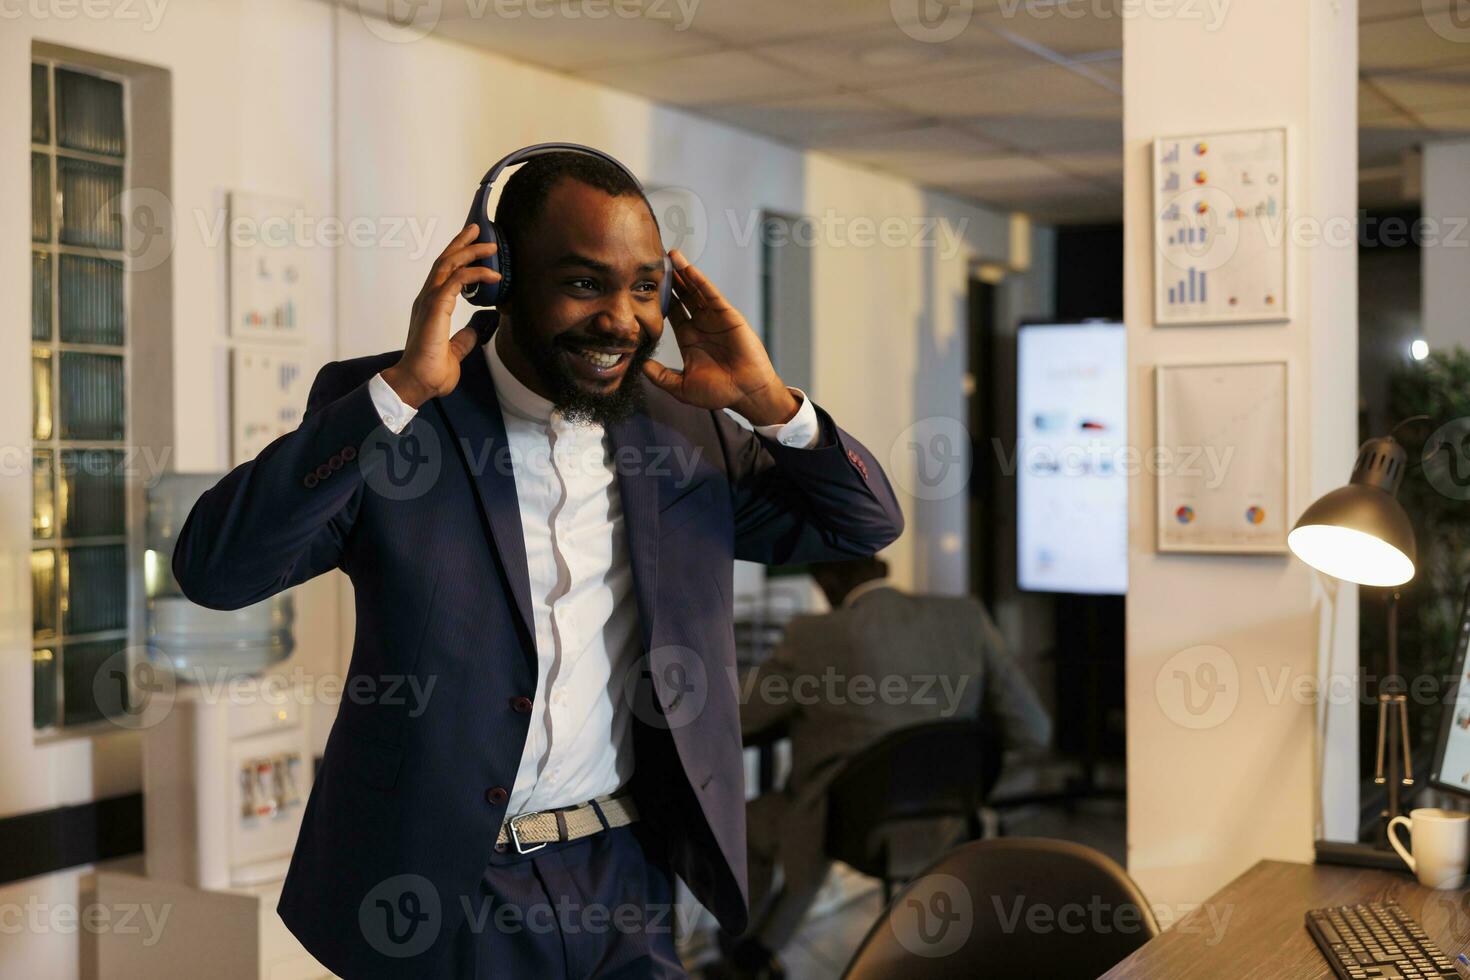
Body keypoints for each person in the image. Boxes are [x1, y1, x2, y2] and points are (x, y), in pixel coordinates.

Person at [171, 150, 903, 979]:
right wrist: (401, 392)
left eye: (644, 286)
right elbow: (216, 572)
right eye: (585, 283)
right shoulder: (394, 413)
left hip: (628, 876)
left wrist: (769, 404)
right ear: (497, 279)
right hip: (447, 890)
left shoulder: (683, 429)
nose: (622, 318)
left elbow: (863, 525)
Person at [721, 557, 1050, 978]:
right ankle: (762, 947)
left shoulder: (813, 635)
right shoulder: (966, 617)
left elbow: (738, 717)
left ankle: (746, 951)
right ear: (881, 568)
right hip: (951, 823)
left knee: (751, 824)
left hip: (853, 831)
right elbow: (1034, 731)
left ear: (827, 578)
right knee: (814, 804)